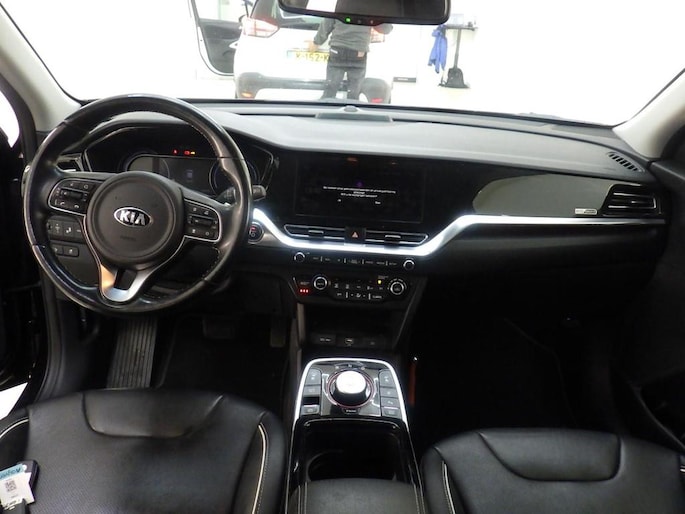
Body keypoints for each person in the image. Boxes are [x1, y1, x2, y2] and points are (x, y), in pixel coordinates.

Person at [309, 19, 392, 100]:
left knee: (330, 89)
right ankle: (351, 105)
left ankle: (327, 104)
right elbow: (386, 29)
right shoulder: (370, 11)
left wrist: (316, 42)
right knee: (354, 92)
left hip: (337, 50)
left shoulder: (339, 10)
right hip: (358, 53)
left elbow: (326, 24)